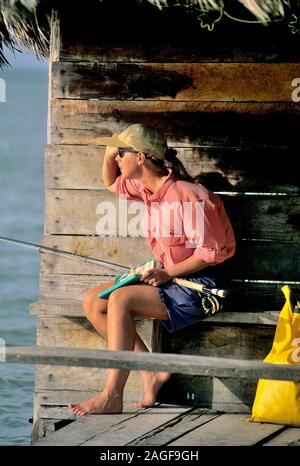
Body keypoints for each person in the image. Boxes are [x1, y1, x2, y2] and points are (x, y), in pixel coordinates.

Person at [69, 124, 236, 416]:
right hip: (170, 278)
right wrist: (110, 152)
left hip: (201, 287)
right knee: (94, 302)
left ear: (142, 157)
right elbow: (111, 182)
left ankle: (111, 395)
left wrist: (169, 273)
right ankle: (151, 371)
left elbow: (211, 253)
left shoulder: (189, 197)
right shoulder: (147, 190)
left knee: (121, 300)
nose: (117, 158)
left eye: (122, 152)